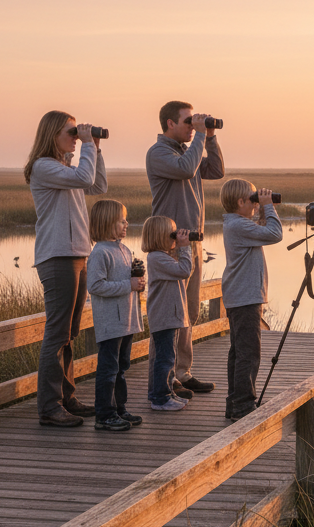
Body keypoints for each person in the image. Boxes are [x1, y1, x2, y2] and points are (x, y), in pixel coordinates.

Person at [24, 110, 107, 427]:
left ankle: (67, 398)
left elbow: (97, 184)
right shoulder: (43, 168)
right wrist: (87, 146)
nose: (75, 137)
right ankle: (49, 407)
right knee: (57, 333)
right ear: (51, 135)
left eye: (76, 132)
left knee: (69, 333)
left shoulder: (64, 169)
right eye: (70, 132)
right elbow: (86, 179)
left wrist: (95, 147)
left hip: (77, 253)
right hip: (57, 256)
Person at [145, 100, 224, 399]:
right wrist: (201, 137)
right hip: (168, 244)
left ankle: (182, 373)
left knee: (189, 311)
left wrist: (211, 137)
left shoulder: (185, 151)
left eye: (194, 122)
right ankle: (164, 379)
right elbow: (187, 169)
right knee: (169, 315)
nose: (193, 127)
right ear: (169, 124)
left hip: (191, 243)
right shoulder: (159, 153)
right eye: (188, 121)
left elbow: (215, 170)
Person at [220, 180, 283, 420]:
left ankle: (235, 403)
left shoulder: (237, 225)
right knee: (248, 353)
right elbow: (275, 234)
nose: (256, 203)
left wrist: (263, 209)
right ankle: (243, 405)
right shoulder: (238, 226)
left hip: (240, 296)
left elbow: (264, 232)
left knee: (239, 352)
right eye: (253, 200)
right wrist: (268, 206)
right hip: (245, 298)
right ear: (240, 202)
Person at [86, 199, 145, 432]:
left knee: (122, 367)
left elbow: (126, 282)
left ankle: (119, 408)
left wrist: (137, 280)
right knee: (109, 369)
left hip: (127, 320)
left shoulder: (124, 249)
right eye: (121, 220)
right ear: (107, 223)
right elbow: (95, 286)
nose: (126, 223)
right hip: (111, 323)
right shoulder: (100, 252)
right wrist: (127, 284)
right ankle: (104, 414)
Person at [142, 215, 194, 411]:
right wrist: (184, 247)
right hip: (164, 317)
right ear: (160, 236)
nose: (176, 237)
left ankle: (164, 392)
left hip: (169, 316)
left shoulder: (163, 257)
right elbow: (185, 270)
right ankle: (160, 398)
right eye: (173, 233)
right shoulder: (156, 258)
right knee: (165, 358)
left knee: (166, 357)